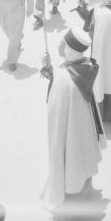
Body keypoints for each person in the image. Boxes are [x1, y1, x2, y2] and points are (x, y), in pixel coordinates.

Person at [40, 28, 105, 210]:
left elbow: (56, 105)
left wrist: (54, 77)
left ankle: (70, 192)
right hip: (83, 128)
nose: (60, 47)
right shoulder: (83, 66)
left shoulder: (64, 79)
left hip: (71, 127)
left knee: (69, 153)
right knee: (80, 155)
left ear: (69, 49)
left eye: (63, 44)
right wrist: (51, 72)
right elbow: (64, 77)